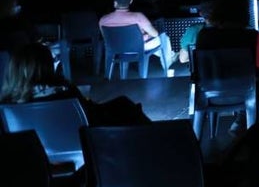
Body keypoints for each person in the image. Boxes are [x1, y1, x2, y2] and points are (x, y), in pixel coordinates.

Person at [0, 42, 150, 126]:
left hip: (40, 153)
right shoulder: (65, 94)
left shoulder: (8, 105)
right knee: (125, 105)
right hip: (86, 139)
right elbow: (90, 115)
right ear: (47, 66)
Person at [98, 0, 175, 76]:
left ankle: (171, 56)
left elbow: (106, 38)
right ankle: (168, 67)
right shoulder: (138, 17)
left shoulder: (103, 20)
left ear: (115, 3)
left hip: (116, 49)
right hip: (138, 48)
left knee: (158, 43)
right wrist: (146, 35)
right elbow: (155, 34)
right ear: (131, 2)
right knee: (164, 38)